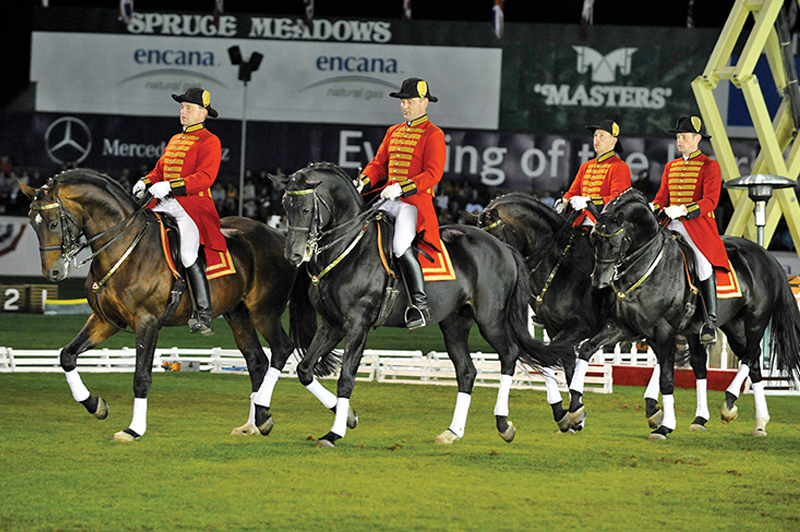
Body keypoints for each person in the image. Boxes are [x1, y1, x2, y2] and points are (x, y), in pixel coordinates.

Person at [132, 87, 224, 336]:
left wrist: (171, 186)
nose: (183, 112)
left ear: (203, 113)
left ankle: (203, 313)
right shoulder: (175, 139)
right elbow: (160, 170)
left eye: (189, 108)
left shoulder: (210, 141)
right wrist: (147, 181)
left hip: (192, 206)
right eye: (182, 108)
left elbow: (205, 178)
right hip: (163, 201)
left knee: (187, 253)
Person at [357, 77, 446, 329]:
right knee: (360, 227)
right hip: (388, 197)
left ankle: (419, 304)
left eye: (411, 101)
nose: (405, 106)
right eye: (403, 101)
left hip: (412, 203)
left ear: (425, 103)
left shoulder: (434, 134)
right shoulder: (393, 131)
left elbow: (433, 174)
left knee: (399, 245)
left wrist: (402, 187)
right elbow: (378, 164)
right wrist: (363, 181)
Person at [652, 115, 728, 345]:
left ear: (697, 138)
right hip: (670, 223)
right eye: (678, 137)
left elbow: (710, 201)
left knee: (703, 265)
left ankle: (710, 321)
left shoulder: (710, 166)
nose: (680, 141)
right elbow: (662, 196)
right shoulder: (670, 166)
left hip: (697, 227)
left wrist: (685, 209)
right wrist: (652, 206)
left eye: (684, 137)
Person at [557, 119, 631, 226]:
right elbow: (573, 193)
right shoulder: (586, 166)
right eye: (595, 136)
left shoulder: (620, 167)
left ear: (613, 141)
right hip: (580, 221)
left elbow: (618, 200)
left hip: (604, 224)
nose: (596, 139)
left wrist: (588, 201)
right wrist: (564, 201)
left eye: (602, 136)